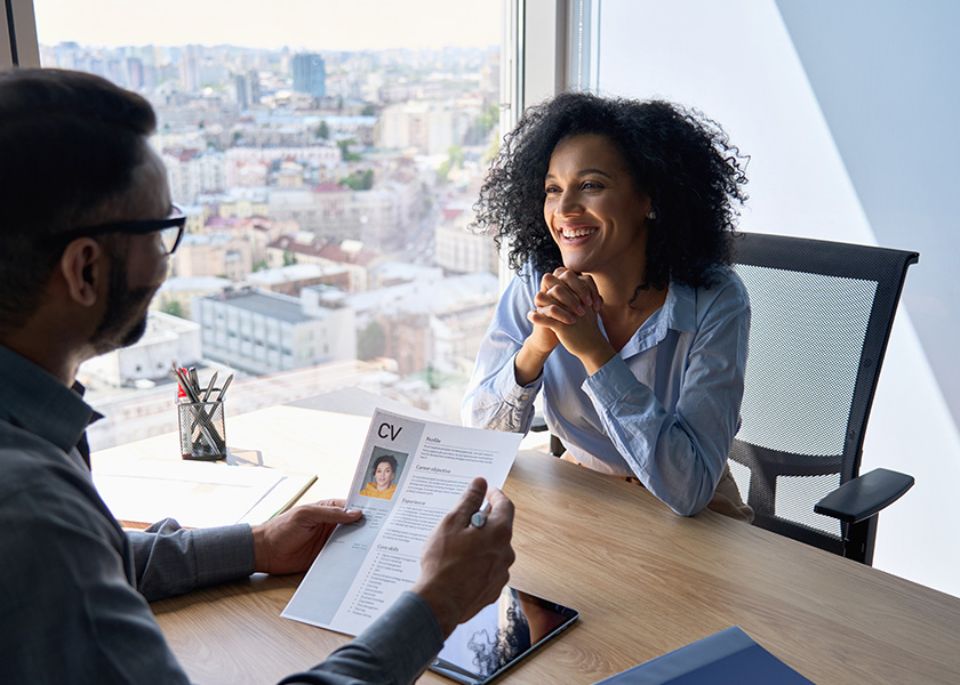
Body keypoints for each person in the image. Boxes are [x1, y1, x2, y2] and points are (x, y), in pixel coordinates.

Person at [0, 68, 516, 684]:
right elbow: (55, 552)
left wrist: (256, 546)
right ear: (84, 269)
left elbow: (88, 566)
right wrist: (439, 604)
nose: (168, 264)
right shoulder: (29, 510)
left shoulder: (32, 472)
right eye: (162, 232)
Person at [463, 92, 752, 520]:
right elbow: (479, 436)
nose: (564, 210)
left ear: (648, 198)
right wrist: (537, 346)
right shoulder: (537, 278)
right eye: (553, 189)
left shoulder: (715, 299)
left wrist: (594, 352)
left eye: (591, 186)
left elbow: (689, 487)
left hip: (694, 514)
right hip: (582, 492)